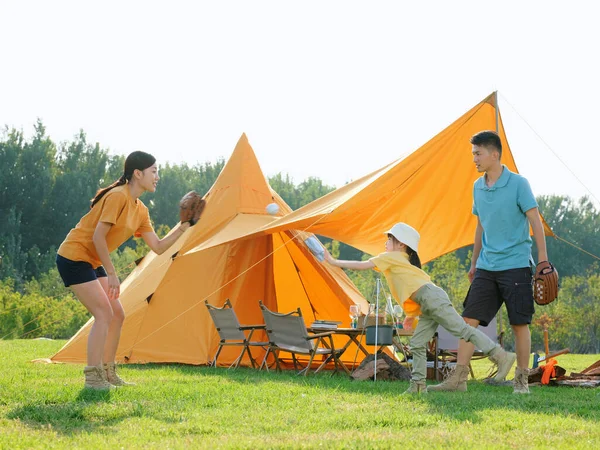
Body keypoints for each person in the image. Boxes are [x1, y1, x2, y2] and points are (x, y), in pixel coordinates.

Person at [323, 222, 516, 394]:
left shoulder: (392, 257)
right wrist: (411, 315)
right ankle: (418, 386)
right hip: (428, 303)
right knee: (417, 343)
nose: (386, 243)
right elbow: (413, 288)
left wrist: (333, 262)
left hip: (431, 299)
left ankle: (501, 355)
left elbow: (363, 265)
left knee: (463, 330)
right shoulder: (401, 261)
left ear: (401, 244)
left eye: (389, 239)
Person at [56, 151, 193, 390]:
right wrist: (111, 273)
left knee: (117, 314)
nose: (157, 177)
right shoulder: (118, 196)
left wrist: (184, 228)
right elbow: (98, 236)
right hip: (74, 257)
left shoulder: (141, 210)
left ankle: (109, 373)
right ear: (137, 174)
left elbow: (158, 247)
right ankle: (92, 378)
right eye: (154, 171)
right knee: (104, 313)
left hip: (93, 261)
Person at [429, 130, 548, 394]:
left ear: (494, 154)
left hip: (516, 264)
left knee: (519, 324)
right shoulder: (477, 186)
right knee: (467, 321)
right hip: (486, 266)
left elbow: (535, 222)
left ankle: (521, 381)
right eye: (473, 154)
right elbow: (480, 226)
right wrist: (473, 263)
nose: (474, 158)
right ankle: (458, 380)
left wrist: (542, 260)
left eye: (478, 153)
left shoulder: (519, 183)